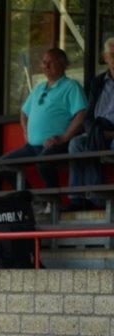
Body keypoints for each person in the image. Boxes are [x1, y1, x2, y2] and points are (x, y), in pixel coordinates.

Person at [1, 48, 87, 189]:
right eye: (44, 62)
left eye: (50, 62)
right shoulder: (39, 87)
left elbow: (81, 114)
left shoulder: (71, 86)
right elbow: (24, 113)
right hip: (32, 146)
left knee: (43, 162)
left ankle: (52, 199)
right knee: (3, 164)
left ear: (63, 64)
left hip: (56, 144)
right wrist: (26, 133)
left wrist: (64, 137)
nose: (46, 66)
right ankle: (29, 197)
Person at [67, 37, 114, 211]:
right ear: (105, 57)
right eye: (112, 55)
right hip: (99, 130)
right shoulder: (98, 81)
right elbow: (88, 116)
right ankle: (77, 199)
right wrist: (94, 132)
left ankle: (98, 197)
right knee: (77, 143)